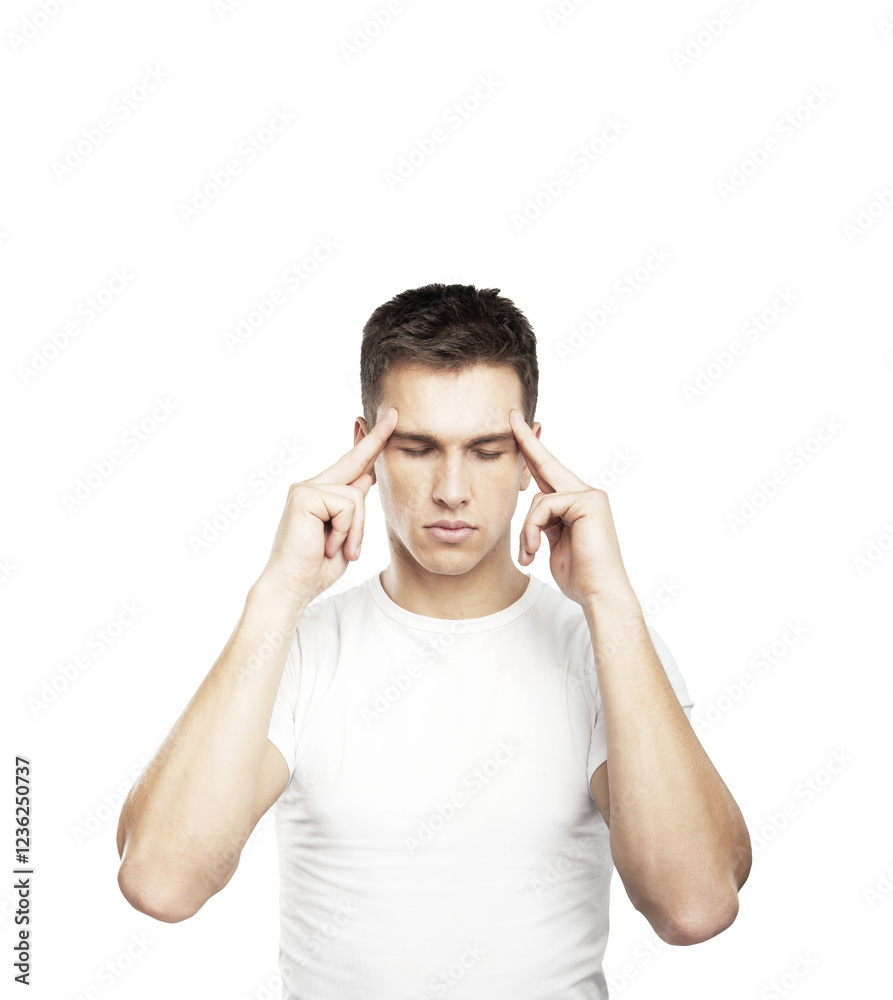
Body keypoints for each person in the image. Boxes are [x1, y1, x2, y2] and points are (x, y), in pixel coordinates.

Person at [115, 283, 751, 999]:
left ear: (529, 456)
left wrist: (610, 600)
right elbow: (161, 883)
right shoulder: (295, 646)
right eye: (417, 448)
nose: (451, 489)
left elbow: (694, 906)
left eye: (486, 451)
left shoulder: (605, 644)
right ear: (366, 452)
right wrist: (278, 592)